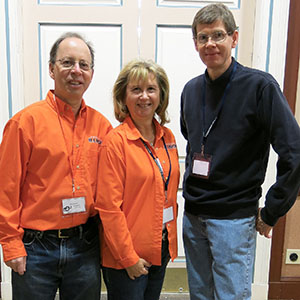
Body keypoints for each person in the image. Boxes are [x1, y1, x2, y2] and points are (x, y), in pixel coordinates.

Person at [180, 3, 300, 300]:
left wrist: (272, 211)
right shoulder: (190, 90)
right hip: (193, 217)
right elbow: (193, 142)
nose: (210, 44)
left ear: (234, 38)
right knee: (201, 296)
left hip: (233, 221)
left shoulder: (260, 87)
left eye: (218, 35)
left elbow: (295, 154)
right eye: (203, 37)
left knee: (231, 296)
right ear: (195, 43)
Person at [0, 32, 112, 300]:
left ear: (91, 73)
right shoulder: (24, 123)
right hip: (36, 248)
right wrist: (11, 245)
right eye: (67, 63)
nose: (76, 71)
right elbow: (6, 189)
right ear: (51, 69)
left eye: (83, 65)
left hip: (85, 245)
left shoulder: (102, 126)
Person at [95, 59, 180, 300]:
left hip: (160, 246)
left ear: (161, 95)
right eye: (136, 90)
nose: (144, 97)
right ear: (123, 97)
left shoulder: (167, 137)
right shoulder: (116, 142)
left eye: (151, 89)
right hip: (127, 256)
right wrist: (128, 258)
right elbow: (109, 209)